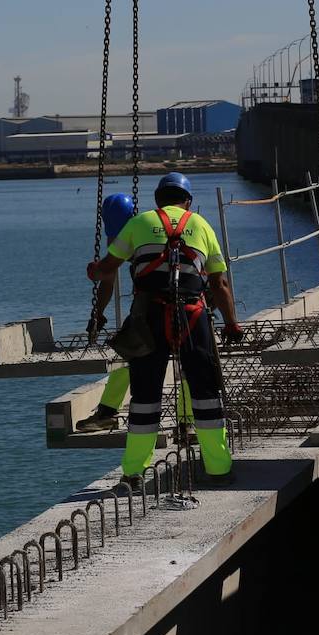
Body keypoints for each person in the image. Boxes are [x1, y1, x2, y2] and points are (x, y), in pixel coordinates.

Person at [86, 173, 243, 485]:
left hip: (149, 318)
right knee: (206, 394)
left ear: (157, 200)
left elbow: (107, 269)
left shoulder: (139, 223)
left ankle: (133, 474)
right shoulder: (202, 225)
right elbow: (220, 283)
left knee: (145, 397)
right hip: (193, 316)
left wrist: (94, 273)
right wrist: (231, 323)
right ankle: (218, 469)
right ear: (188, 201)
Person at [78, 192, 196, 435]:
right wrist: (97, 314)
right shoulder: (130, 231)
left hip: (181, 301)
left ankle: (187, 422)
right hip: (151, 306)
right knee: (127, 351)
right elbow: (108, 279)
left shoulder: (145, 231)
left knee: (185, 360)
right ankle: (108, 413)